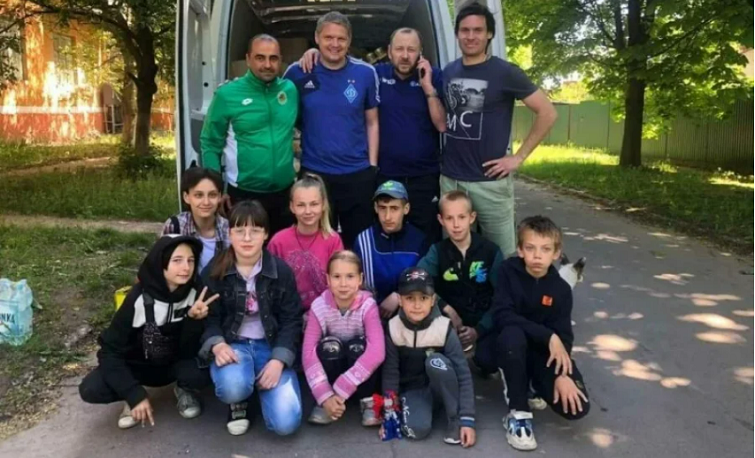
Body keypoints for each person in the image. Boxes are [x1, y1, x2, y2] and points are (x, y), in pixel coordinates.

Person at [298, 27, 444, 243]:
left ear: (420, 53)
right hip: (386, 175)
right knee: (385, 236)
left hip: (424, 176)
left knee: (424, 237)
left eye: (411, 50)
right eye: (399, 49)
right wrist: (315, 54)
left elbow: (442, 125)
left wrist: (428, 88)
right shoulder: (375, 75)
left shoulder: (433, 76)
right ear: (389, 51)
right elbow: (343, 63)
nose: (405, 55)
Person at [441, 3, 557, 256]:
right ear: (457, 33)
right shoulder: (449, 72)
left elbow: (548, 112)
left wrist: (518, 157)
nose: (471, 36)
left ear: (489, 34)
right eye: (465, 30)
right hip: (452, 181)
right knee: (454, 256)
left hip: (490, 184)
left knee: (501, 256)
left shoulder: (505, 72)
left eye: (478, 30)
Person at [79, 235, 214, 429]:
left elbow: (189, 349)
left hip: (174, 363)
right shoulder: (138, 298)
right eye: (177, 260)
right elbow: (109, 351)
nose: (186, 267)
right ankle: (132, 399)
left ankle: (184, 389)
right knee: (91, 389)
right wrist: (133, 393)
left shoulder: (197, 293)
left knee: (206, 372)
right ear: (160, 262)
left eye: (191, 260)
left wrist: (193, 320)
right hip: (138, 365)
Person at [200, 201, 303, 436]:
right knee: (233, 387)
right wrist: (217, 344)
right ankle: (241, 399)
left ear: (265, 234)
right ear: (229, 233)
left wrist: (279, 361)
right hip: (234, 345)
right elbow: (208, 317)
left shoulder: (280, 271)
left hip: (270, 346)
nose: (247, 238)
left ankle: (260, 385)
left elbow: (291, 319)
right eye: (239, 231)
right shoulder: (215, 270)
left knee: (286, 424)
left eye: (255, 230)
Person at [487, 215, 590, 451]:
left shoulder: (561, 290)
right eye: (530, 248)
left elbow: (564, 337)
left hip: (542, 355)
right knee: (512, 335)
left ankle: (532, 383)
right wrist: (548, 336)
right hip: (509, 346)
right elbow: (502, 314)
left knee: (577, 408)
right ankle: (518, 414)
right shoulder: (507, 271)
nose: (537, 256)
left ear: (556, 253)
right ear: (520, 250)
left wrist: (562, 374)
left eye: (545, 249)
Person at [283, 11, 380, 249]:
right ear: (317, 38)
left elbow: (372, 122)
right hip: (315, 174)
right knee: (316, 243)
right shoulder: (298, 72)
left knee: (358, 244)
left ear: (349, 41)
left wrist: (372, 166)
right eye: (328, 37)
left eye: (341, 38)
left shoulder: (366, 73)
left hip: (357, 173)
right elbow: (282, 113)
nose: (335, 44)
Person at [201, 34, 299, 235]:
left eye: (273, 58)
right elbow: (210, 143)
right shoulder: (227, 95)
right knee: (247, 251)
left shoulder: (289, 91)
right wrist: (216, 190)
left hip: (285, 194)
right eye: (260, 58)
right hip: (244, 194)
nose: (267, 65)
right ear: (248, 59)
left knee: (281, 251)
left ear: (280, 60)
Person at [381, 267, 476, 447]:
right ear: (400, 300)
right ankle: (425, 409)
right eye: (410, 298)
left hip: (442, 386)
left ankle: (454, 417)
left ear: (433, 300)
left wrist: (467, 419)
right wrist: (390, 413)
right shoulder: (393, 328)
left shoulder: (444, 327)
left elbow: (463, 374)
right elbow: (390, 373)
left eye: (423, 298)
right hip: (414, 390)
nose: (417, 306)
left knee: (435, 362)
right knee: (417, 430)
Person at [302, 250, 385, 426]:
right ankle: (326, 402)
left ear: (360, 279)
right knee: (328, 347)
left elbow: (377, 352)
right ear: (327, 279)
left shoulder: (368, 306)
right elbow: (308, 353)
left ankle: (367, 400)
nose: (343, 283)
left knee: (359, 347)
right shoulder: (319, 306)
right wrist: (325, 394)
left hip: (356, 375)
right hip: (333, 372)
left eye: (350, 276)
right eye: (337, 276)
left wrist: (343, 386)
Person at [417, 191, 503, 356]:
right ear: (441, 220)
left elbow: (503, 295)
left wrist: (479, 329)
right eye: (449, 218)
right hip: (448, 321)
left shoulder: (491, 251)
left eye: (462, 217)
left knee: (488, 358)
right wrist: (446, 308)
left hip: (484, 322)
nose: (456, 225)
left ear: (472, 217)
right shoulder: (437, 251)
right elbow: (418, 280)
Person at [268, 173, 344, 311]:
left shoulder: (333, 240)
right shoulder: (278, 241)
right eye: (301, 205)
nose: (308, 211)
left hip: (325, 311)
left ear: (323, 205)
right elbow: (269, 283)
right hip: (286, 312)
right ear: (292, 207)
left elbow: (339, 283)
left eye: (314, 204)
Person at [353, 180, 428, 318]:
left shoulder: (419, 240)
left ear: (406, 209)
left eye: (394, 208)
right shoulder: (363, 240)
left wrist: (400, 294)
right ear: (375, 208)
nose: (387, 216)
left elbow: (425, 281)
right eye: (383, 208)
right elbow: (355, 286)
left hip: (412, 315)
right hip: (372, 316)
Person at [162, 167, 229, 272]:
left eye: (212, 195)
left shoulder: (229, 228)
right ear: (186, 197)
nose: (206, 202)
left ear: (220, 197)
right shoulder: (175, 226)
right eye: (198, 195)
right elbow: (161, 267)